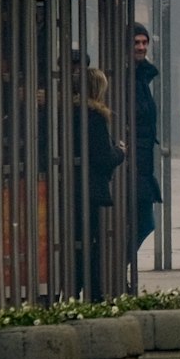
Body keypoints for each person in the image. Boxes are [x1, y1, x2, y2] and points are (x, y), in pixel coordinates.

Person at [73, 67, 125, 300]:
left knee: (75, 240)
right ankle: (93, 292)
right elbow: (103, 157)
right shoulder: (94, 116)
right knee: (89, 242)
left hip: (68, 187)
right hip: (89, 188)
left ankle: (73, 288)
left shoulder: (66, 111)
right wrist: (120, 151)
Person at [132, 23, 162, 249]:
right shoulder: (127, 78)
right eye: (136, 42)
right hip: (130, 163)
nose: (141, 47)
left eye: (144, 42)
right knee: (142, 223)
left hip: (142, 163)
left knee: (144, 223)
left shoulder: (142, 78)